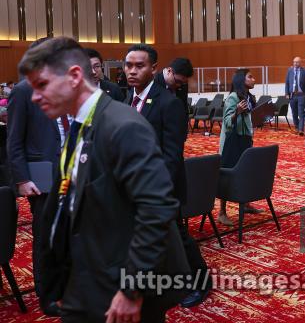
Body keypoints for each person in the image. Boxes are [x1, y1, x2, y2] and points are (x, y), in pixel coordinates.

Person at [19, 37, 189, 323]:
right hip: (86, 278)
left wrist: (131, 290)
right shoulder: (80, 125)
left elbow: (156, 211)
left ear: (75, 77)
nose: (35, 97)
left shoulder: (123, 126)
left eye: (42, 85)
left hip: (119, 289)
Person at [123, 44, 211, 308]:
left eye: (139, 66)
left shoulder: (168, 102)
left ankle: (202, 282)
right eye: (128, 65)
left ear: (154, 69)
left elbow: (172, 156)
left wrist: (161, 193)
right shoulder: (126, 99)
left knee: (178, 236)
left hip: (160, 189)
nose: (132, 71)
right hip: (133, 186)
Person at [6, 37, 63, 317]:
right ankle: (46, 292)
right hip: (40, 174)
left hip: (70, 169)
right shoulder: (23, 90)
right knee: (45, 236)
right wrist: (22, 179)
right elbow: (14, 140)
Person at [218, 68, 263, 226]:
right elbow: (227, 123)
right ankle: (222, 212)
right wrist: (236, 112)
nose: (253, 79)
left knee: (245, 171)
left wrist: (261, 117)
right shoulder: (233, 98)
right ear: (241, 80)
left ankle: (246, 204)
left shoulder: (249, 97)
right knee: (227, 173)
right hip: (232, 142)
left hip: (245, 139)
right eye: (250, 77)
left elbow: (249, 119)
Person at [285, 57, 305, 135]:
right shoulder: (290, 70)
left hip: (301, 95)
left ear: (300, 63)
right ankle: (296, 127)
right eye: (294, 62)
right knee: (294, 113)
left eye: (297, 62)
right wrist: (286, 93)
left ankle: (301, 130)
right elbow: (287, 83)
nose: (295, 64)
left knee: (301, 113)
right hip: (292, 95)